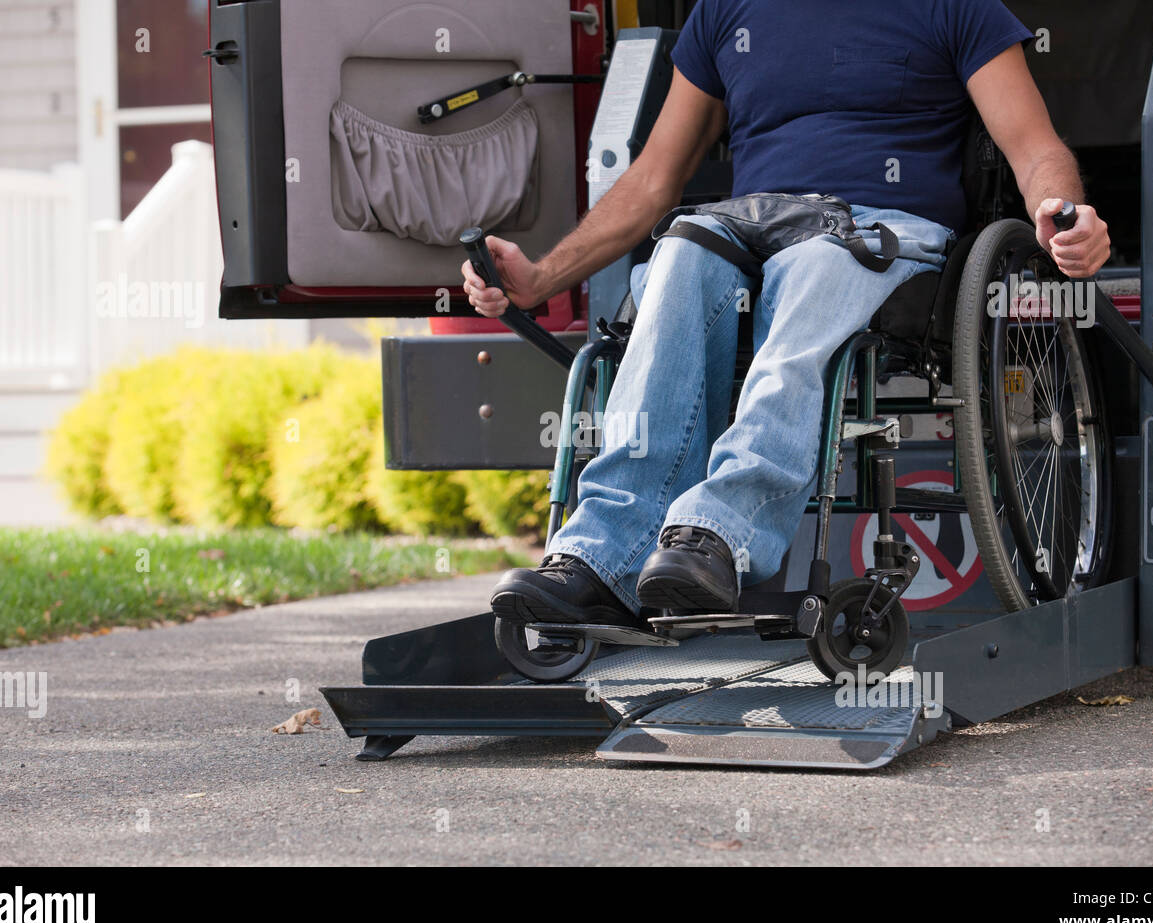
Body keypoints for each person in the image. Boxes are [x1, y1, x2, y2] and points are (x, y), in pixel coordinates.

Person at [464, 0, 1111, 628]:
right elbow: (651, 183)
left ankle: (721, 532)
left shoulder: (955, 7)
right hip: (754, 224)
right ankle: (603, 555)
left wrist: (1063, 214)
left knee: (820, 263)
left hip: (876, 230)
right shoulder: (725, 13)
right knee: (681, 249)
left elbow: (1034, 148)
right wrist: (543, 276)